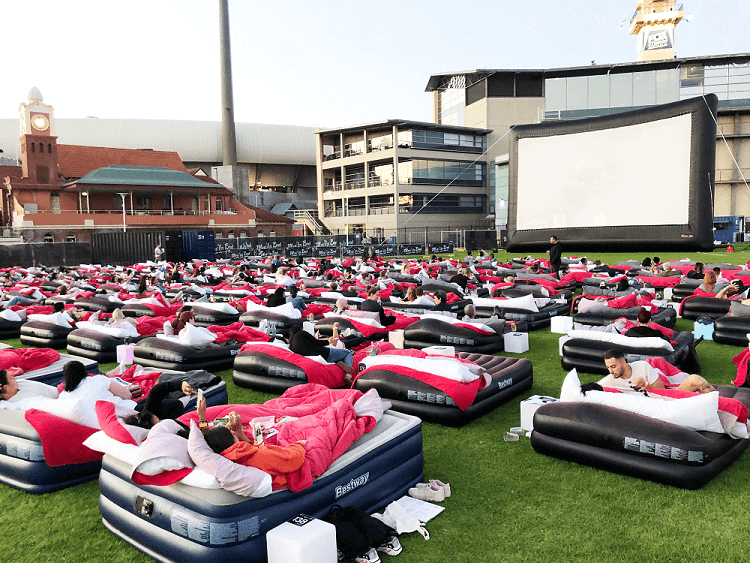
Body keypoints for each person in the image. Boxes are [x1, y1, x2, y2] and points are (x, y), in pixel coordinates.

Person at [601, 349, 714, 393]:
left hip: (664, 399)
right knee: (696, 381)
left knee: (699, 383)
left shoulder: (642, 366)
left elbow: (662, 392)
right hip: (654, 407)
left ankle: (713, 396)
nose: (611, 371)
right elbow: (594, 388)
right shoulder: (610, 380)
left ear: (623, 362)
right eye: (608, 367)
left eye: (613, 366)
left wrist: (645, 386)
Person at [288, 324, 354, 375]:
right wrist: (328, 341)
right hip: (324, 353)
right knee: (347, 353)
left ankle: (337, 362)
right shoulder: (301, 334)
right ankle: (348, 375)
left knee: (338, 355)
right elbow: (317, 342)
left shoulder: (291, 346)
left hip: (317, 360)